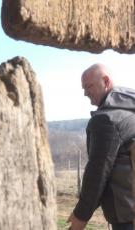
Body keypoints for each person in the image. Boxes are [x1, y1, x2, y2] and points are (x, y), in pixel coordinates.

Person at [67, 63, 135, 230]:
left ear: (105, 81)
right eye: (83, 88)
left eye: (88, 86)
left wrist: (80, 216)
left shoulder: (106, 120)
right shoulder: (130, 107)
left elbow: (97, 175)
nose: (85, 93)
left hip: (127, 217)